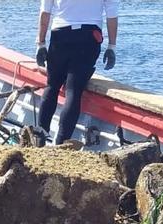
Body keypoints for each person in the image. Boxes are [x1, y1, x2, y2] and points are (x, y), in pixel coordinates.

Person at [35, 0, 119, 145]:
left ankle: (39, 137)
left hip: (60, 36)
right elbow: (112, 14)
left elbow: (45, 12)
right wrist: (111, 46)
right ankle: (61, 142)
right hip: (89, 38)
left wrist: (41, 43)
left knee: (52, 86)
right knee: (73, 91)